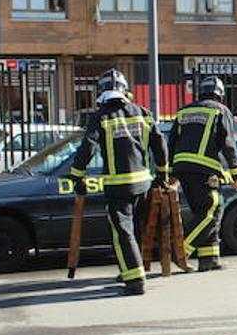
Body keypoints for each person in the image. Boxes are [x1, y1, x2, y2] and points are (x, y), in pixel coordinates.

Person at [67, 69, 168, 295]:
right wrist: (162, 172)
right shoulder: (142, 112)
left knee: (123, 232)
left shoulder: (101, 116)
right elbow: (159, 143)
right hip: (143, 182)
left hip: (118, 185)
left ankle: (134, 280)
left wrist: (77, 174)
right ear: (124, 90)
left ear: (101, 91)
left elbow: (88, 146)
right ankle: (131, 269)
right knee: (136, 230)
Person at [169, 76, 237, 272]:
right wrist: (236, 173)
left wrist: (172, 171)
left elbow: (171, 142)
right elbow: (228, 143)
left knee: (202, 211)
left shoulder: (184, 111)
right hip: (203, 169)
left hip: (183, 168)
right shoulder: (220, 110)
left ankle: (209, 258)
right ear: (220, 93)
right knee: (211, 210)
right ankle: (181, 250)